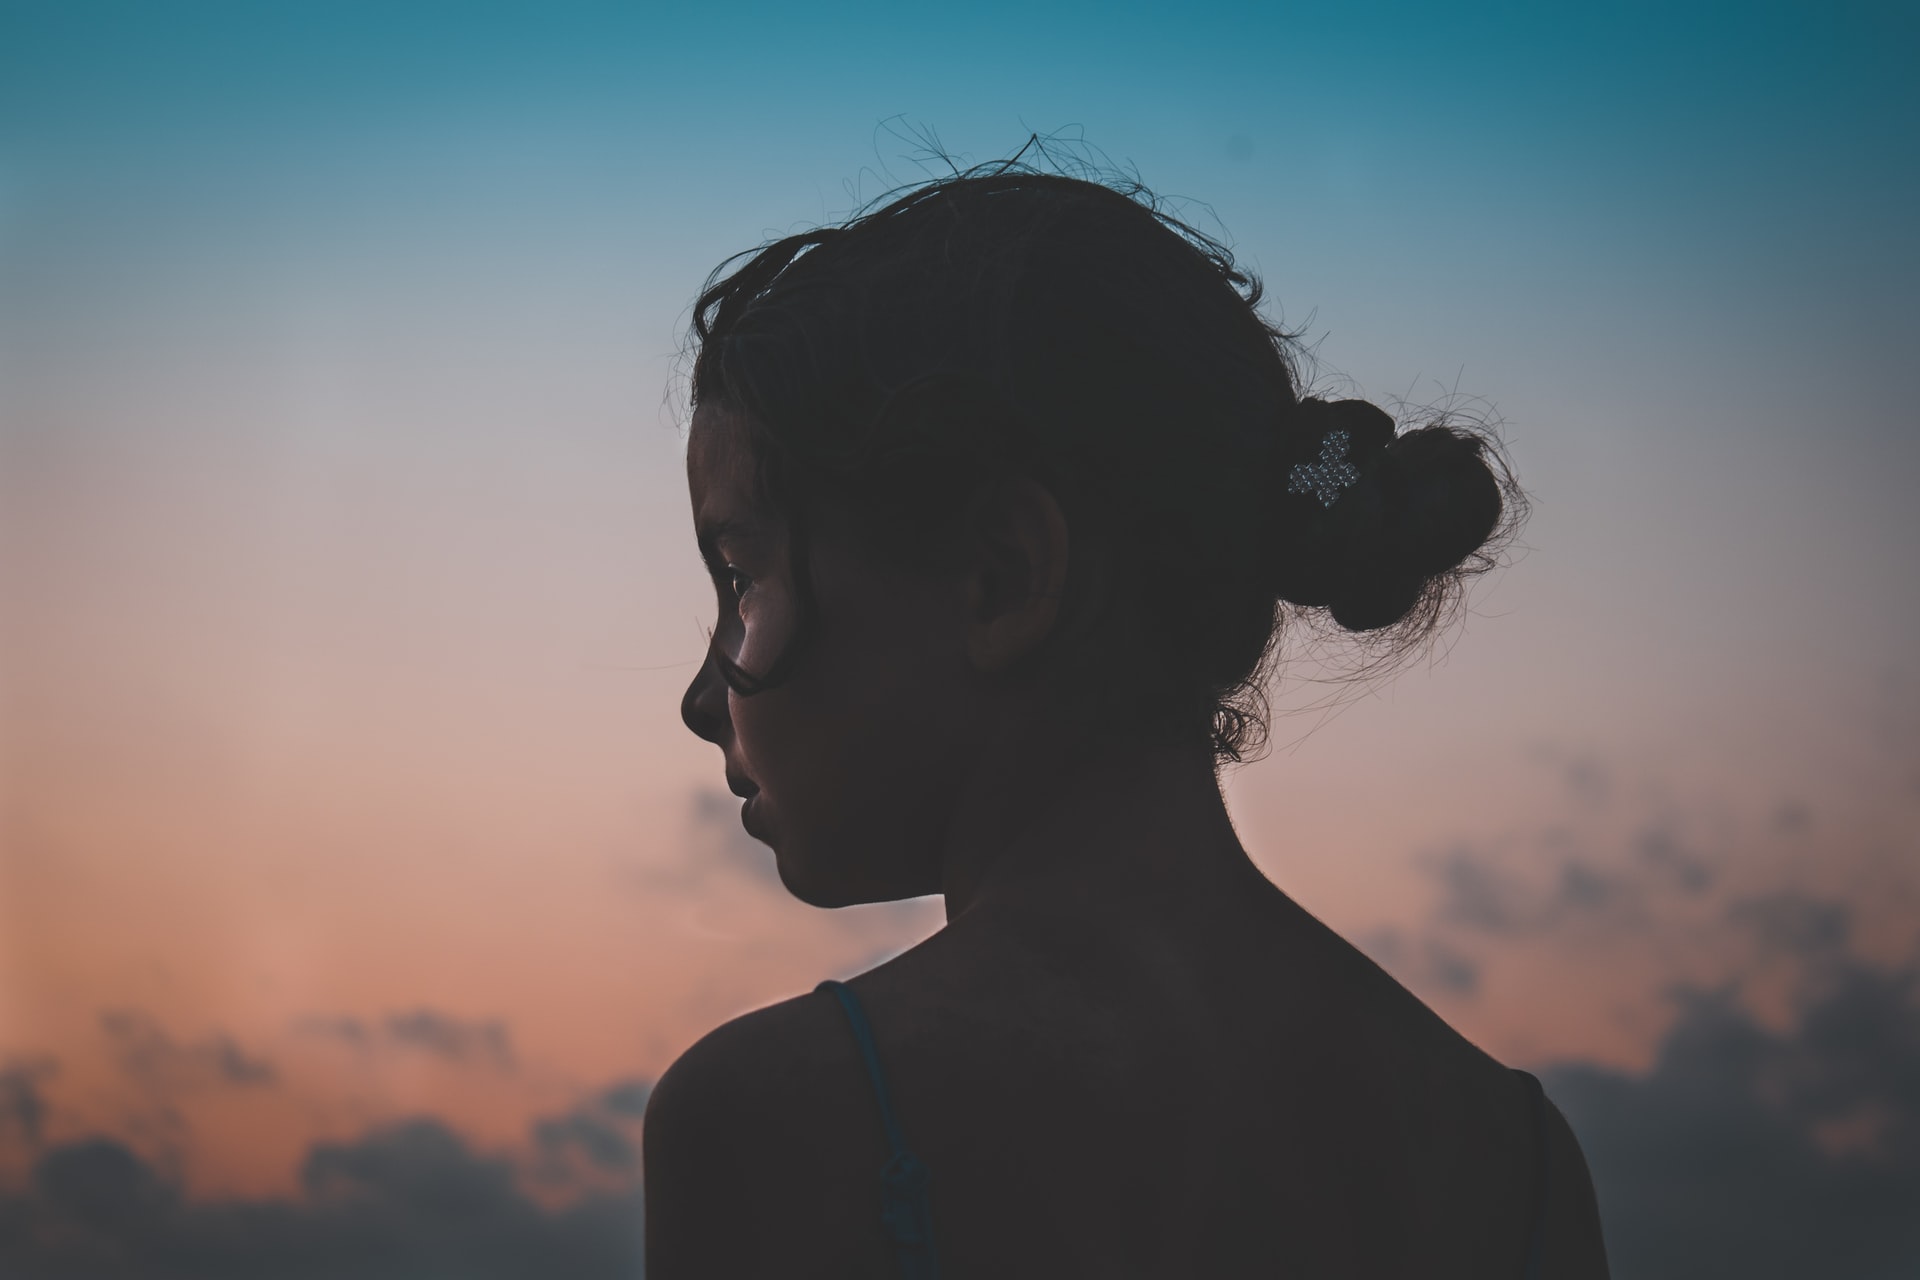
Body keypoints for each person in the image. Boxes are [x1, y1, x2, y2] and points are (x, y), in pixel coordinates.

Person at [643, 149, 1610, 1279]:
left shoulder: (781, 1118)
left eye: (746, 578)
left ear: (1003, 576)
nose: (702, 698)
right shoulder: (1513, 1157)